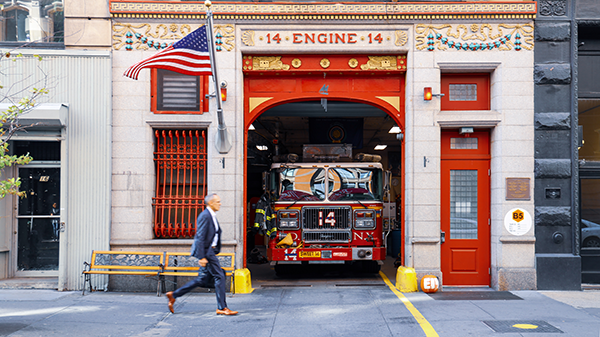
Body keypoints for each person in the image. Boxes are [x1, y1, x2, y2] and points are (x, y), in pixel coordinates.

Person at [166, 193, 238, 316]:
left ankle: (174, 295)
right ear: (210, 203)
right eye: (217, 202)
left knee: (202, 279)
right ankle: (222, 307)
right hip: (207, 251)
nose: (220, 204)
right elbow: (200, 237)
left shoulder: (211, 215)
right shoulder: (205, 216)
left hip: (210, 250)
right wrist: (202, 256)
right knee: (219, 276)